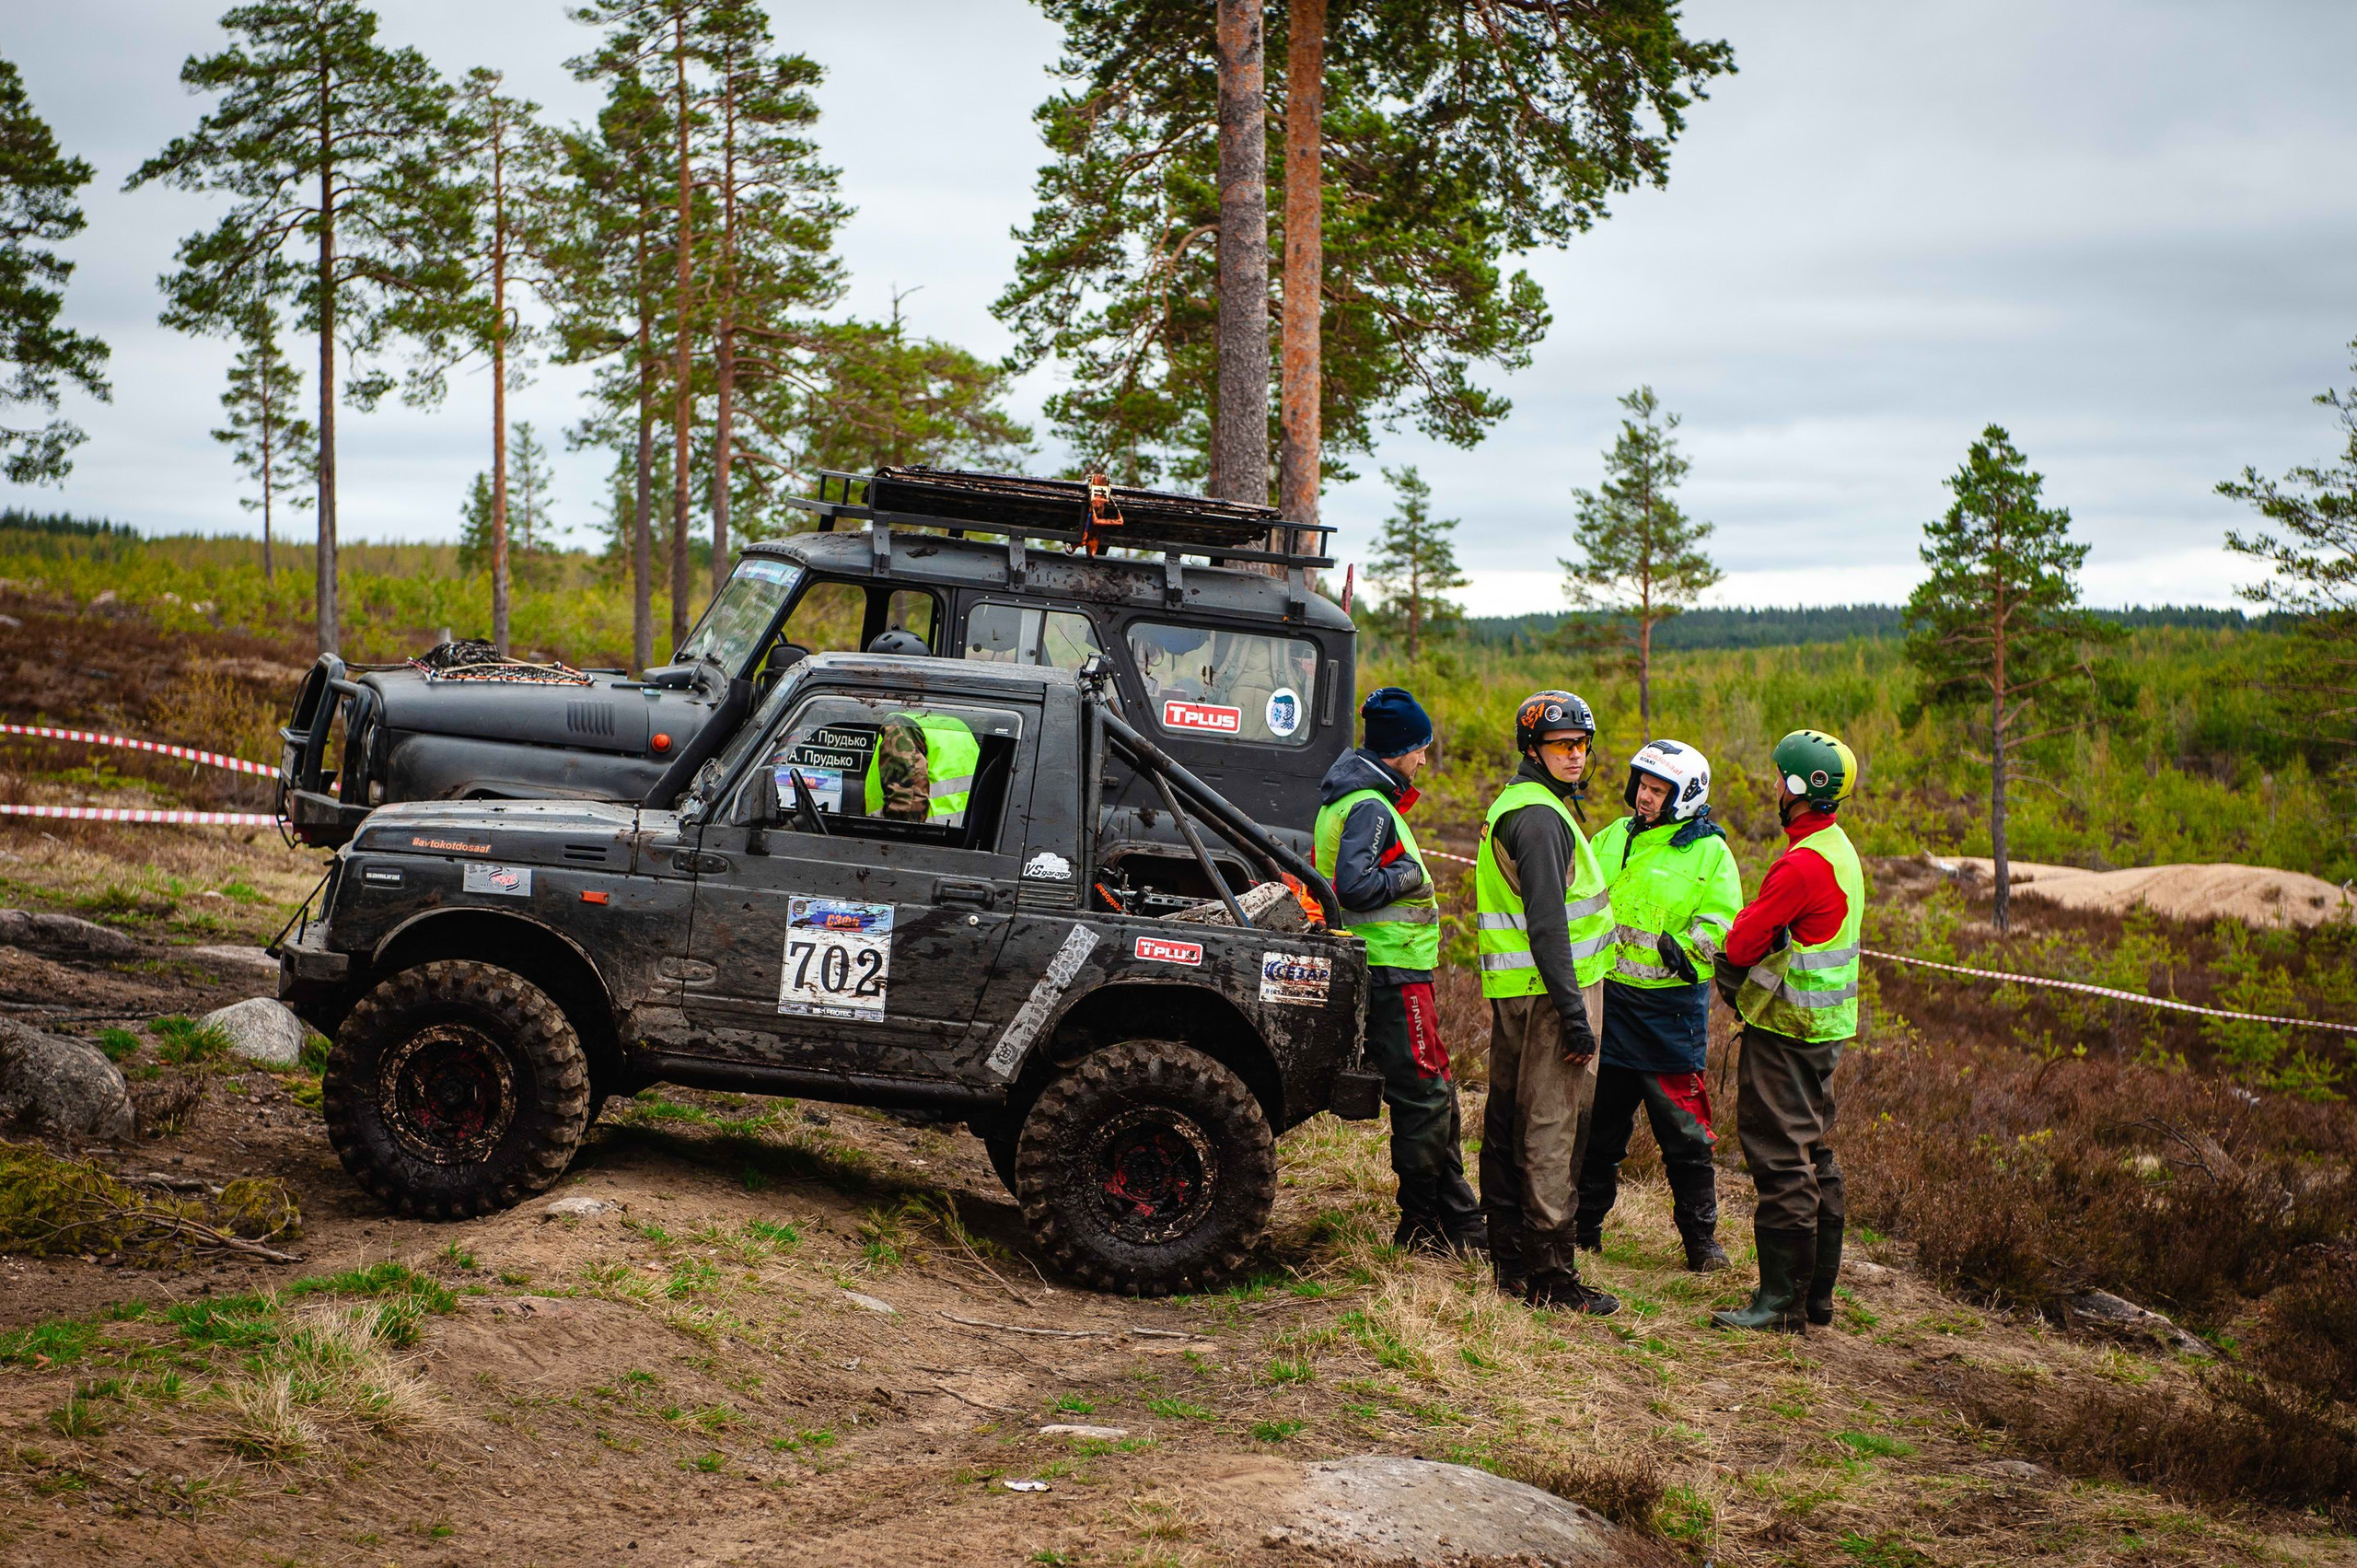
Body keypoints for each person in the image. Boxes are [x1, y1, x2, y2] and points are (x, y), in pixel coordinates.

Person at [1313, 687, 1485, 1256]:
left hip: (1390, 967)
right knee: (1424, 1097)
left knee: (1434, 1090)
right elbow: (1356, 888)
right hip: (1392, 969)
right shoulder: (1369, 806)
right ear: (1400, 749)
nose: (1423, 760)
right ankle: (1422, 1225)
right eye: (1420, 749)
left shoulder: (1352, 797)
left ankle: (1457, 1218)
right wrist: (1408, 877)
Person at [1710, 728, 1864, 1333]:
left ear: (1801, 788)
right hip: (1823, 1027)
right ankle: (1815, 1300)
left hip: (1788, 1029)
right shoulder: (1837, 846)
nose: (1775, 786)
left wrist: (1741, 944)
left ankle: (1781, 1304)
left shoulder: (1801, 864)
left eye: (1781, 777)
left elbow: (1743, 941)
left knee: (1780, 1160)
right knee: (1813, 1152)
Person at [1474, 691, 1619, 1314]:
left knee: (1509, 1121)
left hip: (1522, 992)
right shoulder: (1538, 817)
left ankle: (1509, 1261)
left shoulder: (1522, 805)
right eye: (1563, 745)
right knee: (1552, 1131)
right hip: (1551, 995)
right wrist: (1574, 1015)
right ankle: (1552, 1278)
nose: (1575, 756)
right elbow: (1548, 926)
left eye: (1582, 745)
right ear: (1533, 749)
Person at [1574, 740, 1743, 1272]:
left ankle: (1701, 1241)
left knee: (1685, 1136)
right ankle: (1583, 1231)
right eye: (1642, 786)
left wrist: (1687, 950)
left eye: (1658, 791)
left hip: (1670, 1017)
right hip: (1610, 1006)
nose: (1645, 798)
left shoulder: (1710, 852)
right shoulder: (1610, 837)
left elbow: (1723, 925)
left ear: (1686, 796)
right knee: (1598, 1132)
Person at [862, 631, 977, 824]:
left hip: (920, 844)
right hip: (958, 842)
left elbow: (906, 810)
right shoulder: (957, 724)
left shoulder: (901, 725)